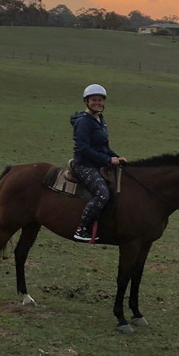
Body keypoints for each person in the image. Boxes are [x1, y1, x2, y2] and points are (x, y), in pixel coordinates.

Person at [70, 83, 125, 243]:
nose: (97, 103)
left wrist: (116, 157)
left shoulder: (100, 119)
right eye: (94, 100)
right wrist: (108, 160)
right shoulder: (84, 122)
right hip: (84, 164)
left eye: (100, 100)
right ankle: (81, 229)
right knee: (102, 194)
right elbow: (82, 149)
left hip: (98, 163)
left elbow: (103, 147)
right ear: (86, 101)